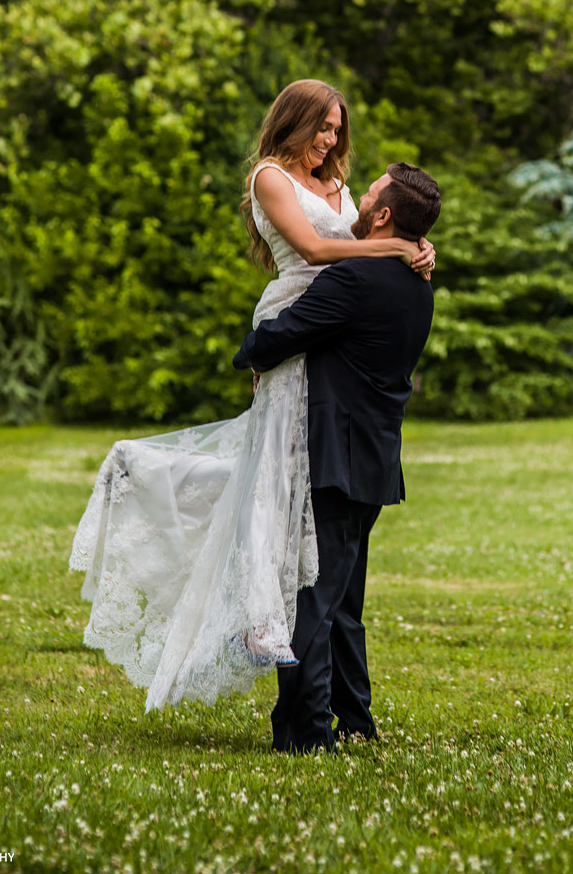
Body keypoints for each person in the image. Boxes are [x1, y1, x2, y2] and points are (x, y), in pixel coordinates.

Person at [69, 80, 435, 712]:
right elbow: (321, 249)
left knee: (303, 504)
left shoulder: (343, 190)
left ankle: (321, 682)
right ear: (292, 121)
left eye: (336, 128)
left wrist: (410, 243)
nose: (329, 139)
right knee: (283, 483)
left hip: (335, 321)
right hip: (302, 309)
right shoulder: (271, 177)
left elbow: (363, 236)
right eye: (321, 126)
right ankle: (286, 643)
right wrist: (400, 245)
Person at [233, 162, 441, 752]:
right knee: (345, 603)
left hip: (332, 457)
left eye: (368, 192)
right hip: (375, 458)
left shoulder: (353, 281)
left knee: (313, 600)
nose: (355, 194)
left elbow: (277, 337)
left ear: (381, 217)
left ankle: (306, 732)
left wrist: (249, 353)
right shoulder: (417, 282)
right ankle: (356, 719)